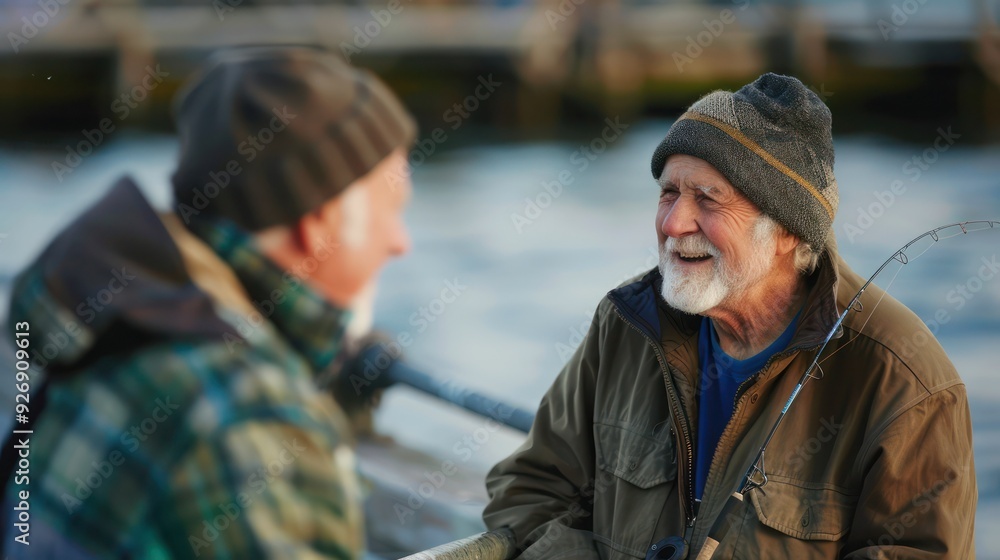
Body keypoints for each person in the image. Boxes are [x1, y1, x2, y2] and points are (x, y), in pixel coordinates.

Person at [483, 73, 977, 559]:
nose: (674, 223)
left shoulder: (903, 380)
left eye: (708, 199)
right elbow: (532, 488)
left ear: (787, 231)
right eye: (669, 193)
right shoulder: (627, 323)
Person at [1, 46, 415, 558]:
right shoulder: (249, 414)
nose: (400, 241)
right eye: (392, 209)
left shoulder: (115, 320)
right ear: (324, 220)